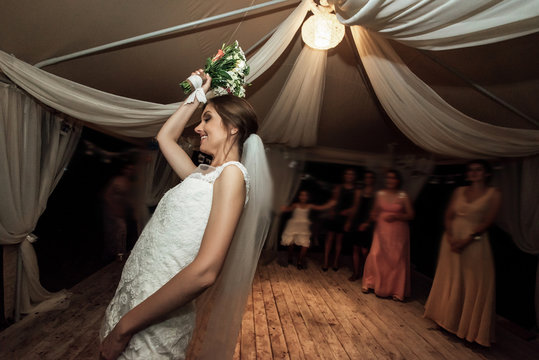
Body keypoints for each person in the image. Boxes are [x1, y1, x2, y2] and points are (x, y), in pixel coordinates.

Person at [99, 69, 273, 360]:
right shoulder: (201, 176)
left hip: (154, 317)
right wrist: (197, 96)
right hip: (134, 299)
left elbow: (205, 272)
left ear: (232, 127)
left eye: (207, 119)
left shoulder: (232, 175)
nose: (197, 127)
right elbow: (165, 137)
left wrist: (124, 329)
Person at [424, 160, 500, 347]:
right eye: (471, 170)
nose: (473, 173)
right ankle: (445, 320)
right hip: (451, 241)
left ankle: (467, 328)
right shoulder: (459, 191)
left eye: (478, 169)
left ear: (487, 173)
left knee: (472, 281)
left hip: (475, 242)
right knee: (450, 279)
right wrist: (450, 236)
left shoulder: (494, 194)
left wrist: (468, 239)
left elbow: (488, 222)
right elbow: (449, 215)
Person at [361, 169, 414, 301]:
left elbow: (411, 215)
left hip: (398, 231)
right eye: (388, 178)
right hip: (381, 230)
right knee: (376, 255)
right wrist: (371, 218)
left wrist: (397, 215)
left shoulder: (403, 195)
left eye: (393, 178)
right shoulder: (380, 194)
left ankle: (396, 290)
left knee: (396, 259)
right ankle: (370, 283)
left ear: (398, 180)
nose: (390, 180)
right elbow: (375, 211)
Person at [280, 189, 333, 269]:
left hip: (304, 227)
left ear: (307, 197)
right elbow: (288, 209)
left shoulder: (309, 206)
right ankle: (290, 257)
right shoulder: (295, 205)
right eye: (302, 195)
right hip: (293, 226)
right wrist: (283, 208)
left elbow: (321, 207)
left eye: (305, 195)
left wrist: (330, 204)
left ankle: (299, 261)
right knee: (290, 244)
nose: (303, 197)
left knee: (305, 244)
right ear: (299, 196)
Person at [322, 168, 361, 271]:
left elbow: (355, 206)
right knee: (329, 239)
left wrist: (349, 218)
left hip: (345, 217)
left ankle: (335, 262)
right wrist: (330, 211)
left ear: (354, 176)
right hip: (335, 215)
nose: (349, 176)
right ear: (344, 176)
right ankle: (325, 262)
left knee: (339, 240)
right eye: (348, 174)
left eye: (352, 174)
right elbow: (333, 200)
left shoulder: (356, 190)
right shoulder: (339, 187)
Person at [348, 171, 376, 281]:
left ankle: (367, 274)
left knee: (365, 251)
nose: (368, 179)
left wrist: (367, 223)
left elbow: (374, 211)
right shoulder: (359, 191)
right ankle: (356, 272)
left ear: (373, 179)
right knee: (355, 248)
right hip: (357, 220)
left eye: (370, 177)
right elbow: (355, 207)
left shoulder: (376, 193)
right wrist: (349, 221)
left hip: (368, 223)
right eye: (366, 177)